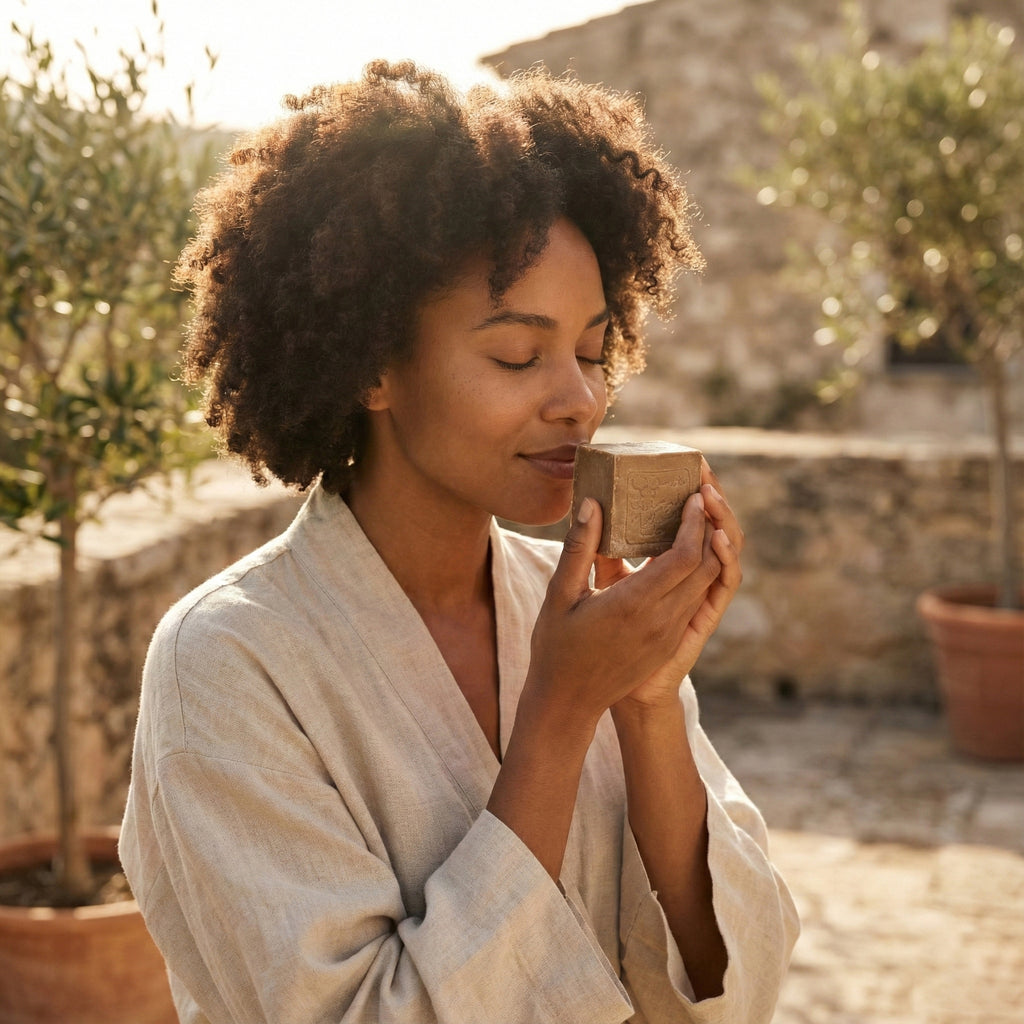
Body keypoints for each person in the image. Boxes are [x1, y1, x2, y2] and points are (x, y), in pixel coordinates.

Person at [120, 60, 799, 1024]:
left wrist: (644, 705)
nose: (580, 399)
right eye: (517, 354)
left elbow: (734, 983)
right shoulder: (226, 666)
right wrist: (561, 710)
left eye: (595, 350)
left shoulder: (585, 617)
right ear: (370, 367)